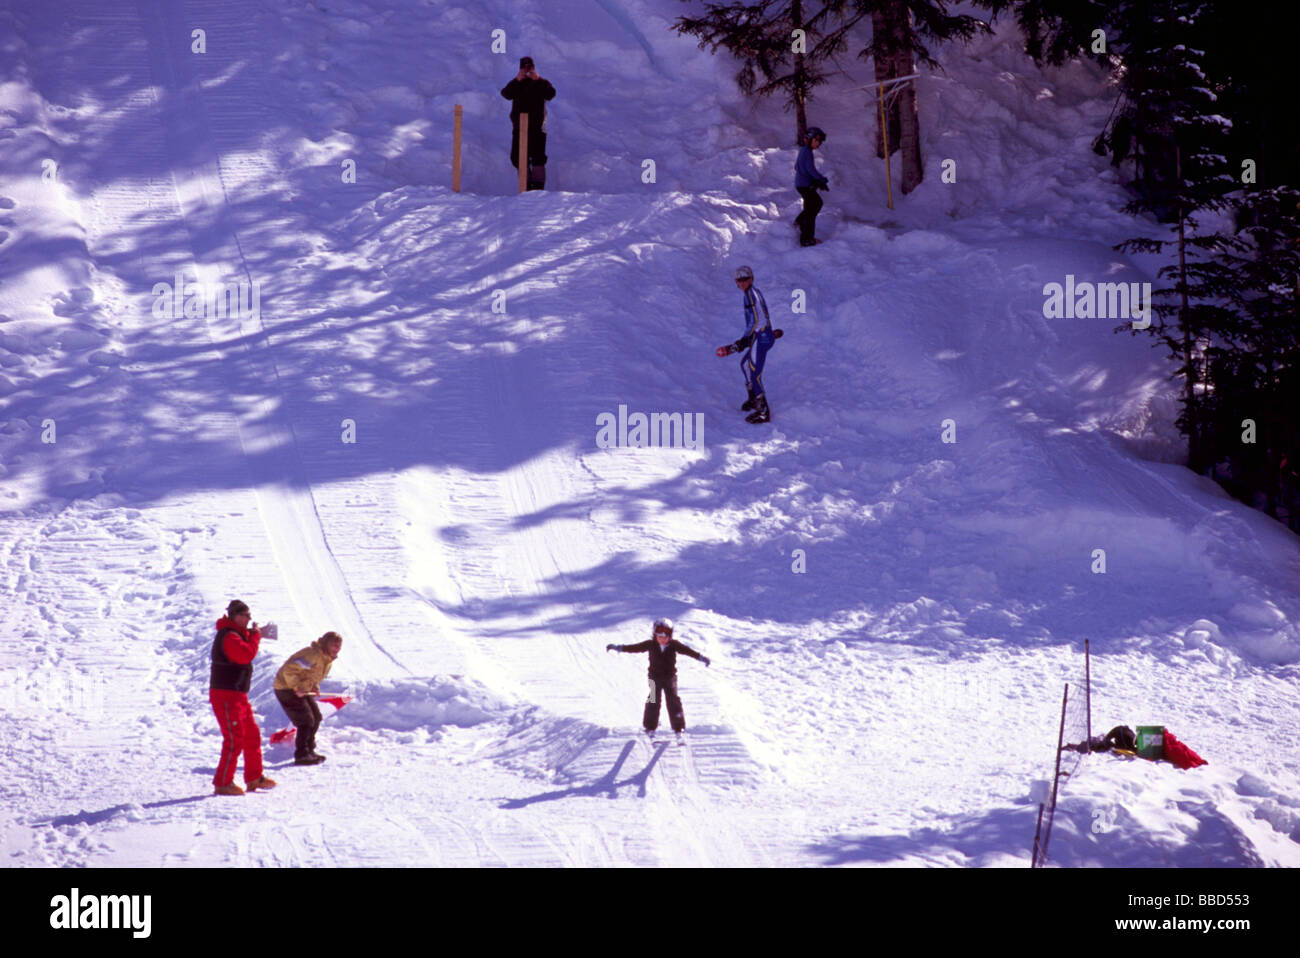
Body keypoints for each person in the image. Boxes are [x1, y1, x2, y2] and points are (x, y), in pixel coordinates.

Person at [209, 600, 276, 795]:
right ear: (235, 616)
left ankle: (254, 777)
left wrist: (253, 634)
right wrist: (255, 636)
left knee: (251, 735)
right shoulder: (229, 636)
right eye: (246, 615)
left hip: (237, 695)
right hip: (226, 695)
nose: (249, 619)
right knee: (234, 738)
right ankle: (223, 782)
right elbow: (245, 655)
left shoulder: (235, 633)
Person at [606, 618, 709, 738]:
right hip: (654, 678)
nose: (662, 639)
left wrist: (701, 657)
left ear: (670, 636)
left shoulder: (674, 645)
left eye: (666, 636)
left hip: (670, 677)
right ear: (654, 635)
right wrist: (618, 648)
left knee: (673, 700)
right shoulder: (650, 644)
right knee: (654, 699)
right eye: (659, 636)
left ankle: (678, 726)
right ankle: (650, 726)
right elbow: (634, 648)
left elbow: (688, 651)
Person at [274, 631, 343, 766]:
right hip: (286, 688)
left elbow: (310, 674)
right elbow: (289, 670)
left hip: (300, 689)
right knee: (306, 720)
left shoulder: (326, 659)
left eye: (339, 646)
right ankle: (302, 755)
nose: (337, 648)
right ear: (326, 644)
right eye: (334, 645)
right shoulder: (313, 654)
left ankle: (309, 750)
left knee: (316, 716)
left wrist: (313, 687)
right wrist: (296, 687)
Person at [728, 265, 776, 424]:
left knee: (754, 373)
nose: (741, 283)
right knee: (745, 365)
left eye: (744, 279)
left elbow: (754, 320)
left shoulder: (750, 294)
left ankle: (763, 412)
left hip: (761, 335)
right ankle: (753, 399)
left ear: (751, 279)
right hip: (761, 334)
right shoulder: (752, 292)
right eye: (738, 280)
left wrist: (744, 339)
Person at [501, 56, 556, 190]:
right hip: (520, 126)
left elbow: (551, 94)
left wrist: (538, 79)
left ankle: (538, 188)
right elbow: (506, 94)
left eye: (529, 67)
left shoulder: (540, 82)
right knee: (518, 157)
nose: (527, 70)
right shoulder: (517, 83)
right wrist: (517, 79)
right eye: (524, 68)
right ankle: (524, 185)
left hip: (538, 126)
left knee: (538, 158)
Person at [794, 126, 829, 247]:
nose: (818, 144)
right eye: (817, 141)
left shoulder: (803, 150)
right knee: (815, 206)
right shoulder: (807, 152)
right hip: (804, 185)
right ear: (810, 139)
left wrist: (813, 180)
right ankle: (806, 238)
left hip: (802, 184)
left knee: (812, 206)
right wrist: (820, 179)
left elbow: (798, 167)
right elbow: (810, 169)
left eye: (819, 141)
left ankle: (800, 223)